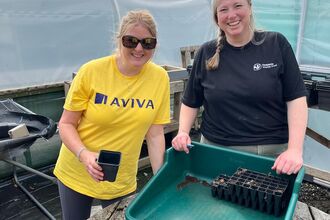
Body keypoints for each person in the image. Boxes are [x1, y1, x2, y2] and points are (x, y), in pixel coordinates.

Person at [53, 10, 170, 219]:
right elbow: (66, 124)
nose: (139, 48)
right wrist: (84, 154)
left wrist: (160, 179)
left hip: (121, 177)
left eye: (147, 42)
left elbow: (154, 134)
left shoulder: (159, 78)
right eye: (131, 41)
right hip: (76, 170)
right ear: (119, 40)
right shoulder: (91, 71)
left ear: (155, 45)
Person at [172, 0, 308, 176]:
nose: (231, 15)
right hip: (215, 151)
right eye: (223, 9)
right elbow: (191, 101)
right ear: (217, 17)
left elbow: (296, 98)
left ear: (250, 8)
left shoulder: (276, 44)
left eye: (238, 5)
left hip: (269, 154)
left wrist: (295, 150)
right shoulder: (206, 53)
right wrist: (183, 132)